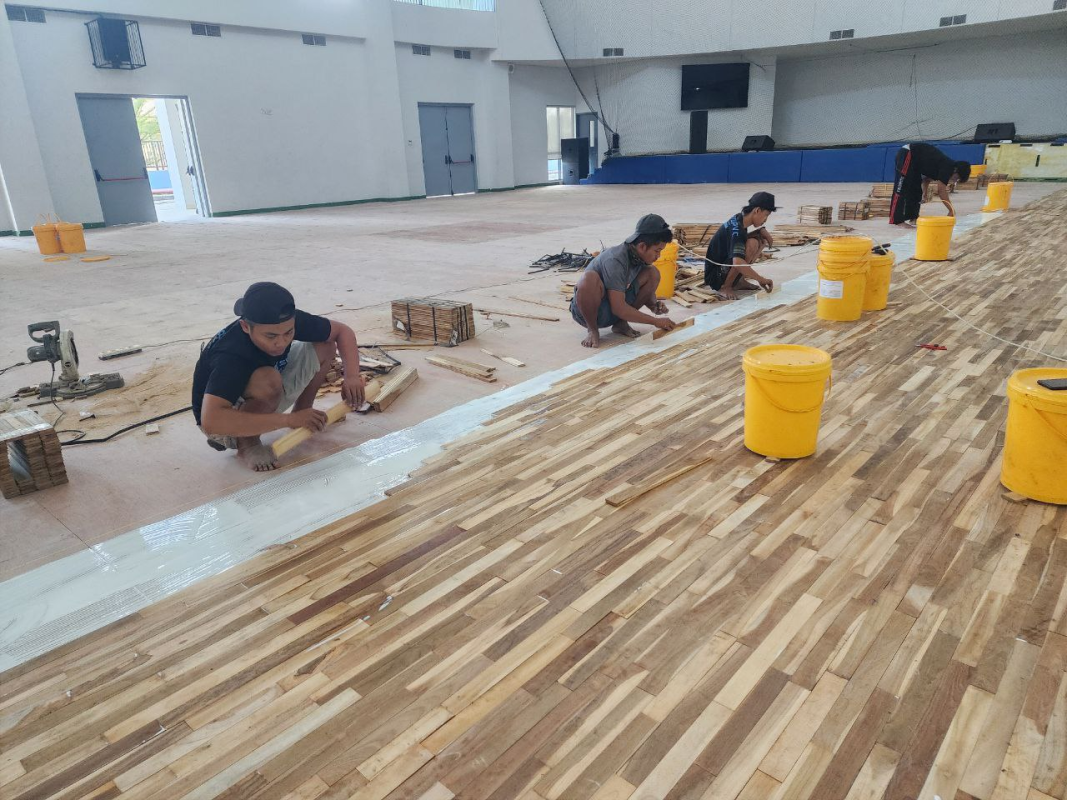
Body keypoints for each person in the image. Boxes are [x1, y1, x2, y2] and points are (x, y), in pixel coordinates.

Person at [192, 282, 365, 472]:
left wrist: (352, 376)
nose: (281, 342)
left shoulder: (284, 322)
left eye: (289, 333)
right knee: (268, 380)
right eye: (271, 336)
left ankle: (304, 412)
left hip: (254, 391)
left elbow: (342, 332)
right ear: (245, 327)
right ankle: (247, 445)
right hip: (223, 420)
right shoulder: (231, 355)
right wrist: (286, 421)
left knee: (325, 345)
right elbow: (211, 421)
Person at [571, 214, 677, 348]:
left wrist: (654, 305)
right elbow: (618, 307)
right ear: (642, 246)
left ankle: (620, 323)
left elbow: (640, 291)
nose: (658, 256)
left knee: (652, 273)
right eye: (657, 251)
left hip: (612, 310)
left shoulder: (638, 256)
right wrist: (655, 321)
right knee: (589, 279)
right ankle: (592, 329)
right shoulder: (615, 259)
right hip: (588, 313)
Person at [704, 192, 777, 300]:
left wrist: (760, 231)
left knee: (760, 241)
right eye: (766, 215)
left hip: (721, 267)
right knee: (752, 244)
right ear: (757, 211)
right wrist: (760, 279)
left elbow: (740, 239)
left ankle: (738, 281)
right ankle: (725, 287)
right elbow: (737, 262)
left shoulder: (739, 219)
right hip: (715, 276)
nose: (765, 219)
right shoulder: (737, 231)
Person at [891, 143, 971, 227]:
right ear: (956, 170)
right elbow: (941, 191)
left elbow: (926, 179)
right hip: (908, 153)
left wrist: (924, 193)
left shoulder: (944, 166)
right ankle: (897, 220)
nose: (955, 180)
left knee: (916, 189)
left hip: (915, 163)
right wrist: (951, 209)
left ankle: (913, 217)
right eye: (957, 178)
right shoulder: (948, 167)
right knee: (901, 187)